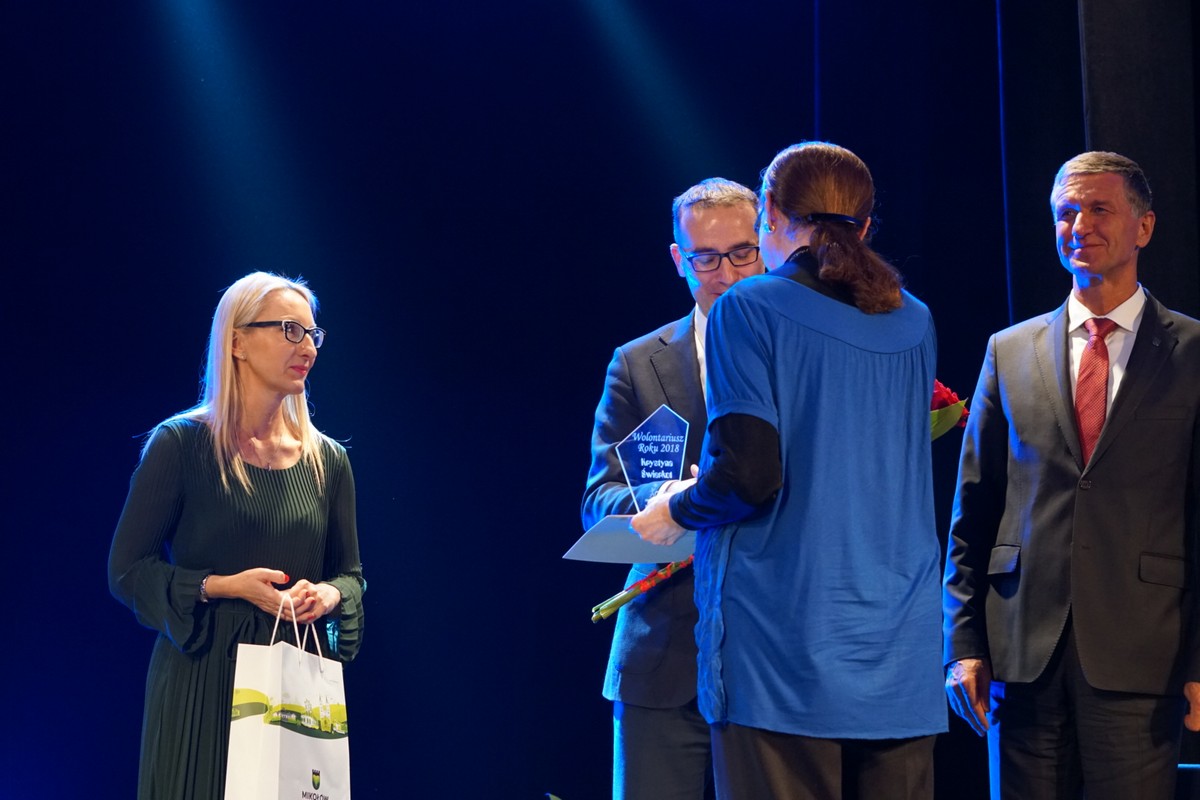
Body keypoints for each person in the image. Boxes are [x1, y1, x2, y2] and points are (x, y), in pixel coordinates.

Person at [632, 141, 946, 799]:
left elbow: (747, 475)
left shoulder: (749, 307)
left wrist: (673, 511)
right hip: (899, 648)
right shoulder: (915, 320)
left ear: (769, 212)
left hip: (782, 650)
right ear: (865, 223)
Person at [943, 151, 1200, 799]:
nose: (1079, 225)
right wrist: (963, 644)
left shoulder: (1194, 352)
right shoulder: (1009, 350)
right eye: (1066, 212)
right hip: (1020, 658)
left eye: (1099, 209)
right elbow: (973, 513)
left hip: (1143, 655)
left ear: (1143, 227)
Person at [108, 272, 366, 800]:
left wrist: (329, 594)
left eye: (313, 334)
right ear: (237, 341)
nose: (308, 348)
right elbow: (128, 571)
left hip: (290, 685)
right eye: (290, 330)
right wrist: (224, 586)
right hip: (202, 682)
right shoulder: (181, 445)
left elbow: (352, 575)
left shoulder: (329, 461)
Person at [582, 177, 764, 800]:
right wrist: (670, 499)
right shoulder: (638, 363)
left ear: (767, 245)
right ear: (677, 260)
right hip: (663, 654)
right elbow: (599, 501)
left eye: (742, 252)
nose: (726, 274)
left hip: (773, 654)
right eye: (705, 258)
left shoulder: (804, 354)